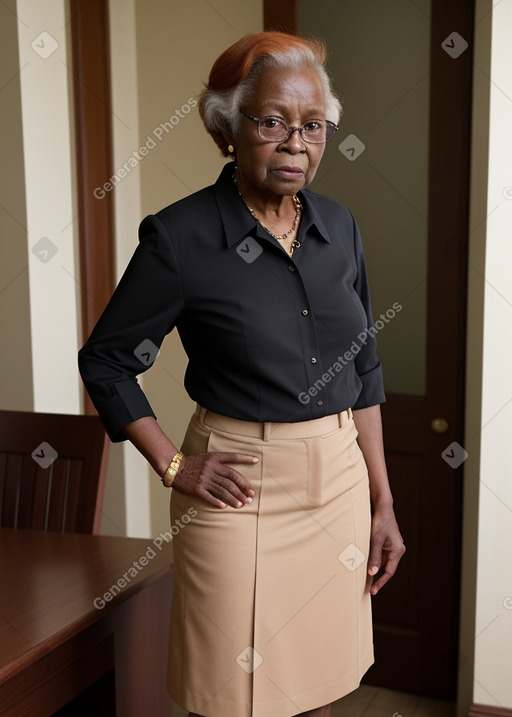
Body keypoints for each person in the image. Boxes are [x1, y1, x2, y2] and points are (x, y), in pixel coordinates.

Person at [78, 31, 406, 717]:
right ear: (229, 128)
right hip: (237, 493)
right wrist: (174, 465)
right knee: (229, 695)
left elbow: (364, 368)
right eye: (272, 121)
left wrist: (382, 500)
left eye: (312, 125)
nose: (295, 141)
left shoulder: (340, 227)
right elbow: (106, 359)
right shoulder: (180, 238)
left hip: (340, 480)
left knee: (320, 686)